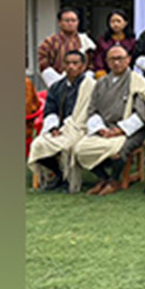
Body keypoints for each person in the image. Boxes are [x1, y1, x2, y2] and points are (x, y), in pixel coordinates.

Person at [71, 46, 145, 196]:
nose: (117, 63)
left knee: (119, 151)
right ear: (107, 62)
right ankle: (103, 178)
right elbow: (92, 110)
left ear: (128, 60)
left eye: (120, 59)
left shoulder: (137, 82)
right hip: (104, 129)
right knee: (79, 150)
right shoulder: (101, 83)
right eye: (112, 59)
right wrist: (101, 129)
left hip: (131, 130)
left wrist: (120, 130)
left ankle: (114, 180)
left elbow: (142, 114)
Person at [27, 50, 96, 192]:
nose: (71, 66)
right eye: (68, 63)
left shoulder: (91, 86)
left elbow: (95, 111)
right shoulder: (56, 87)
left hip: (83, 128)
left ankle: (69, 180)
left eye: (75, 63)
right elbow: (50, 109)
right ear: (63, 66)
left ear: (83, 66)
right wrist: (53, 128)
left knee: (68, 145)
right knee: (38, 145)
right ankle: (59, 175)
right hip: (60, 129)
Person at [37, 7, 96, 74]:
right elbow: (42, 62)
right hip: (57, 79)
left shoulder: (85, 40)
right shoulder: (50, 41)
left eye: (73, 20)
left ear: (78, 22)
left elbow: (93, 60)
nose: (70, 23)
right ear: (59, 22)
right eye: (67, 21)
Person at [92, 9, 136, 77]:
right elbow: (98, 57)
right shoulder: (103, 40)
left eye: (118, 21)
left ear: (125, 23)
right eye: (112, 21)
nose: (115, 24)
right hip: (106, 73)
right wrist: (100, 70)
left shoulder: (131, 41)